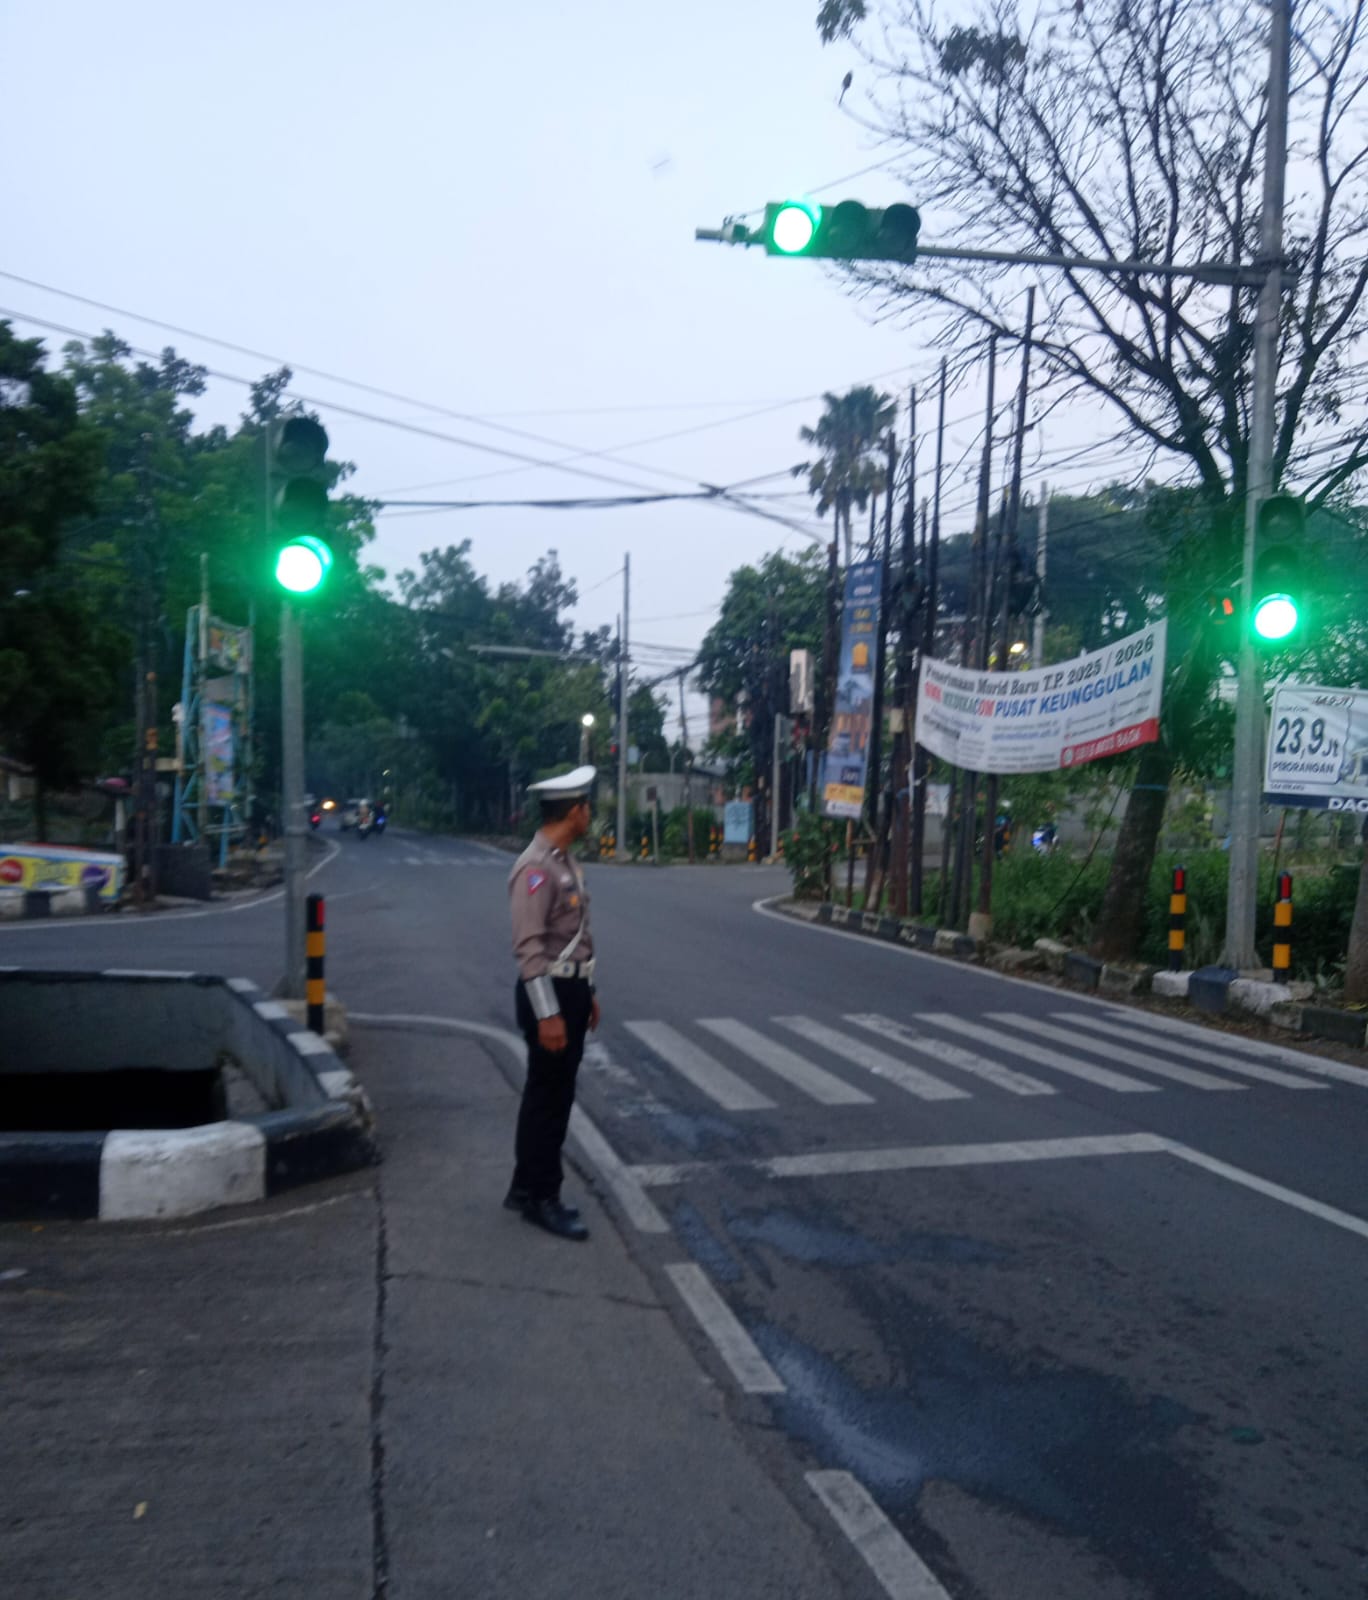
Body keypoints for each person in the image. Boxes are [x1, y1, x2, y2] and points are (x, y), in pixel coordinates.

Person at [505, 765, 600, 1241]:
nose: (590, 814)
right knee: (552, 1099)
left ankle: (524, 1186)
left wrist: (589, 993)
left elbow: (572, 939)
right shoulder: (537, 868)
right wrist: (549, 1014)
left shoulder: (562, 860)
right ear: (574, 812)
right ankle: (544, 1198)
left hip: (569, 991)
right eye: (586, 807)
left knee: (545, 1093)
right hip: (549, 995)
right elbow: (530, 949)